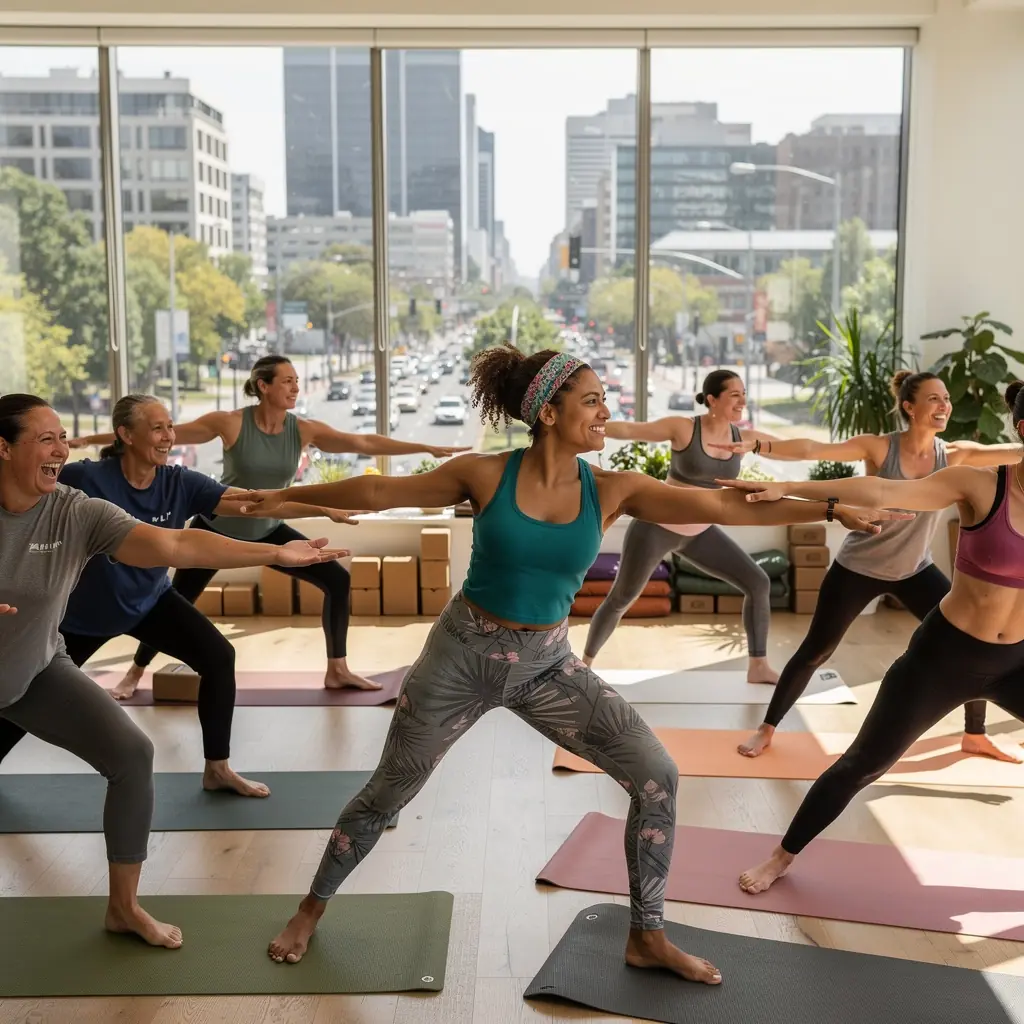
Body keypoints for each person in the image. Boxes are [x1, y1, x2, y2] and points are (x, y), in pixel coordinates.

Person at [221, 346, 905, 979]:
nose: (605, 412)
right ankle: (310, 907)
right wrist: (279, 500)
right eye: (591, 400)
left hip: (547, 666)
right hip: (458, 660)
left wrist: (832, 502)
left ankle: (647, 934)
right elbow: (377, 493)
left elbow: (720, 501)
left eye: (605, 399)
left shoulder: (612, 488)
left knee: (657, 775)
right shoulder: (485, 473)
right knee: (386, 795)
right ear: (548, 412)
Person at [0, 394, 348, 947]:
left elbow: (178, 541)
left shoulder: (74, 509)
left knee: (133, 755)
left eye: (63, 438)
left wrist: (274, 554)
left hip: (34, 669)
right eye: (46, 439)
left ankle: (123, 907)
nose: (61, 449)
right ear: (3, 447)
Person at [717, 380, 1024, 896]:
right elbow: (882, 491)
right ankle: (780, 857)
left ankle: (976, 735)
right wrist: (795, 491)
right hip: (945, 656)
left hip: (1017, 661)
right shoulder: (980, 485)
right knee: (864, 764)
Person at [71, 355, 468, 695]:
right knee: (172, 601)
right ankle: (135, 672)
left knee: (336, 580)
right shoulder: (229, 423)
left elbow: (362, 443)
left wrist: (426, 447)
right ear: (262, 386)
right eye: (287, 380)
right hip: (215, 529)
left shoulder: (303, 429)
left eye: (297, 380)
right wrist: (89, 438)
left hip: (266, 522)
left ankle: (337, 668)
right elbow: (150, 431)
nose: (295, 387)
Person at [584, 369, 780, 684]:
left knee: (758, 583)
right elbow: (633, 429)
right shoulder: (685, 429)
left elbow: (795, 448)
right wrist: (590, 425)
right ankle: (585, 665)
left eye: (744, 394)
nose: (742, 401)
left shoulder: (742, 437)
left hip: (699, 534)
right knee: (622, 598)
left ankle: (758, 665)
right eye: (735, 394)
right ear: (712, 400)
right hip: (655, 528)